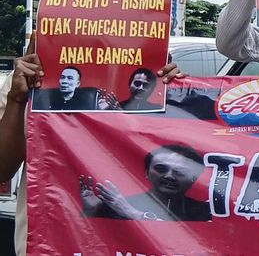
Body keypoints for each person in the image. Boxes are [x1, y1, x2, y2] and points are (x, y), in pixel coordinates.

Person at [0, 46, 183, 255]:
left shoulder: (158, 87)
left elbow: (171, 160)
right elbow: (2, 169)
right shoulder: (31, 80)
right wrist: (17, 99)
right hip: (51, 241)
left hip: (131, 242)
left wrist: (177, 89)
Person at [79, 144, 211, 221]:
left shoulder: (206, 212)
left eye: (180, 171)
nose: (169, 176)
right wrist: (90, 211)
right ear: (147, 172)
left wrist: (132, 213)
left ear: (193, 178)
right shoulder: (115, 205)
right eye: (161, 169)